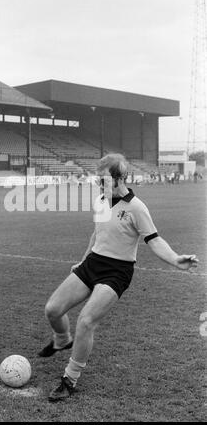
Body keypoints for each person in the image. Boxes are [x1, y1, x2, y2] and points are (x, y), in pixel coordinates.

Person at [38, 153, 199, 402]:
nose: (98, 184)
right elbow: (96, 234)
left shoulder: (137, 207)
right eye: (97, 180)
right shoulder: (101, 200)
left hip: (117, 271)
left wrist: (176, 259)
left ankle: (69, 380)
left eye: (102, 179)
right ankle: (62, 339)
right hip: (93, 263)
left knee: (86, 321)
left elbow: (154, 241)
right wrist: (83, 260)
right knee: (52, 309)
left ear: (120, 178)